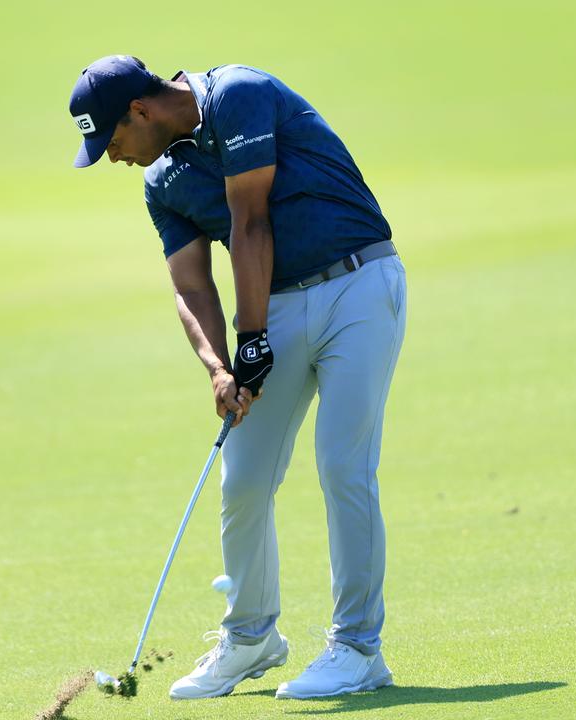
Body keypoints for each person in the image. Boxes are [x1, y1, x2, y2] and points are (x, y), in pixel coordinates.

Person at [66, 55, 407, 700]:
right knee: (245, 478)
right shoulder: (161, 182)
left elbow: (253, 222)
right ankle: (251, 637)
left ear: (140, 111)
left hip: (360, 282)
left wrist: (252, 339)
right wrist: (221, 366)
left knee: (341, 464)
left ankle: (359, 648)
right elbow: (190, 283)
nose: (113, 157)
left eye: (111, 141)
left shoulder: (239, 95)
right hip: (276, 305)